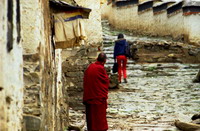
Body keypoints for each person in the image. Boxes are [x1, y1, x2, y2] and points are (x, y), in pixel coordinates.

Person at [83, 53, 110, 131]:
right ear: (104, 60)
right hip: (98, 97)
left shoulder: (90, 67)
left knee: (91, 116)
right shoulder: (100, 68)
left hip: (90, 95)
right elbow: (105, 81)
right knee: (99, 116)